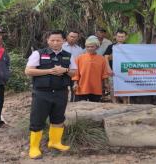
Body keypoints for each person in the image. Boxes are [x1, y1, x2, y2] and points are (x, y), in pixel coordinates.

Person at [25, 30, 77, 159]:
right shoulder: (38, 54)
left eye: (58, 40)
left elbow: (74, 72)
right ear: (47, 40)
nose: (55, 43)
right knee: (37, 120)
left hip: (61, 92)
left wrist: (64, 70)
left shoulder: (67, 55)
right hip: (42, 93)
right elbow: (28, 71)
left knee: (58, 118)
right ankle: (34, 147)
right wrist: (50, 71)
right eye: (52, 40)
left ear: (63, 41)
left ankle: (55, 142)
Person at [73, 36, 110, 102]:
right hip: (82, 87)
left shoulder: (102, 59)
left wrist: (106, 84)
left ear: (97, 47)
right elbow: (76, 73)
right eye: (88, 47)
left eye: (92, 46)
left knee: (95, 108)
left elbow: (104, 73)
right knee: (80, 108)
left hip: (96, 88)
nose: (90, 48)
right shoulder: (79, 58)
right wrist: (75, 83)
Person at [104, 30, 129, 104]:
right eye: (119, 36)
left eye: (122, 37)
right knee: (113, 88)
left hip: (125, 71)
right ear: (115, 37)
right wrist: (108, 68)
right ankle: (115, 103)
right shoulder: (111, 46)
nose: (120, 38)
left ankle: (125, 103)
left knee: (125, 87)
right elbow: (106, 58)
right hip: (113, 71)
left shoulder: (129, 47)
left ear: (125, 37)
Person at [62, 31, 85, 102]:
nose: (72, 38)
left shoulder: (80, 49)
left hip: (75, 72)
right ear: (67, 37)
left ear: (77, 38)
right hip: (63, 71)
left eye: (74, 37)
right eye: (71, 36)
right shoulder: (61, 47)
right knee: (63, 88)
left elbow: (81, 62)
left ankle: (74, 102)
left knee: (74, 89)